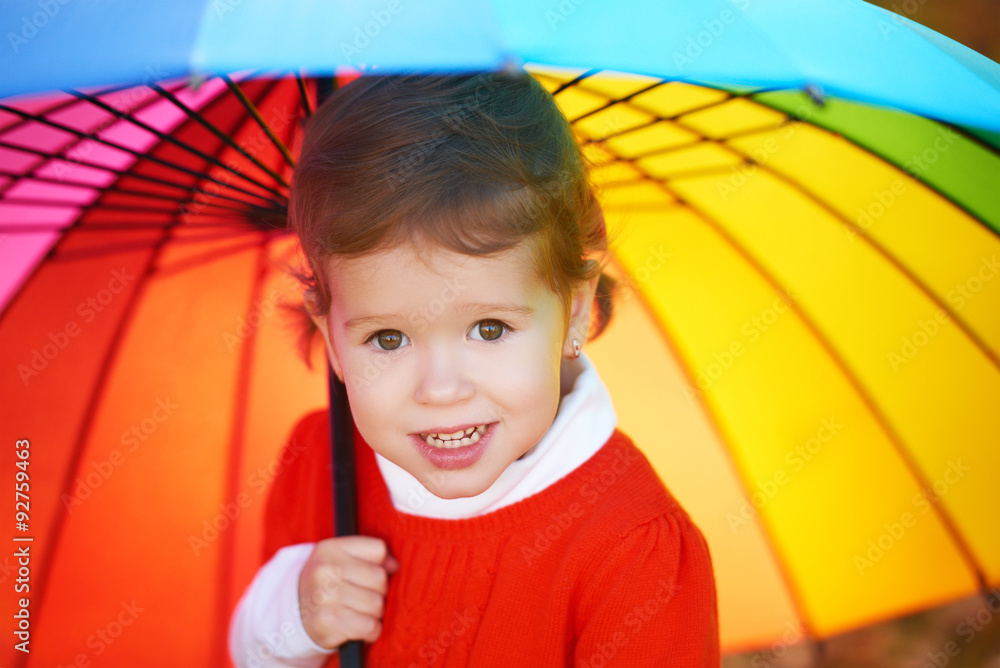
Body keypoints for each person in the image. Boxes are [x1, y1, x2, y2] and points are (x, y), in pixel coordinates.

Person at [229, 70, 719, 667]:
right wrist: (291, 619)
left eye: (489, 329)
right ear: (331, 332)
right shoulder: (322, 465)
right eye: (388, 338)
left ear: (574, 312)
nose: (440, 389)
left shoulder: (632, 550)